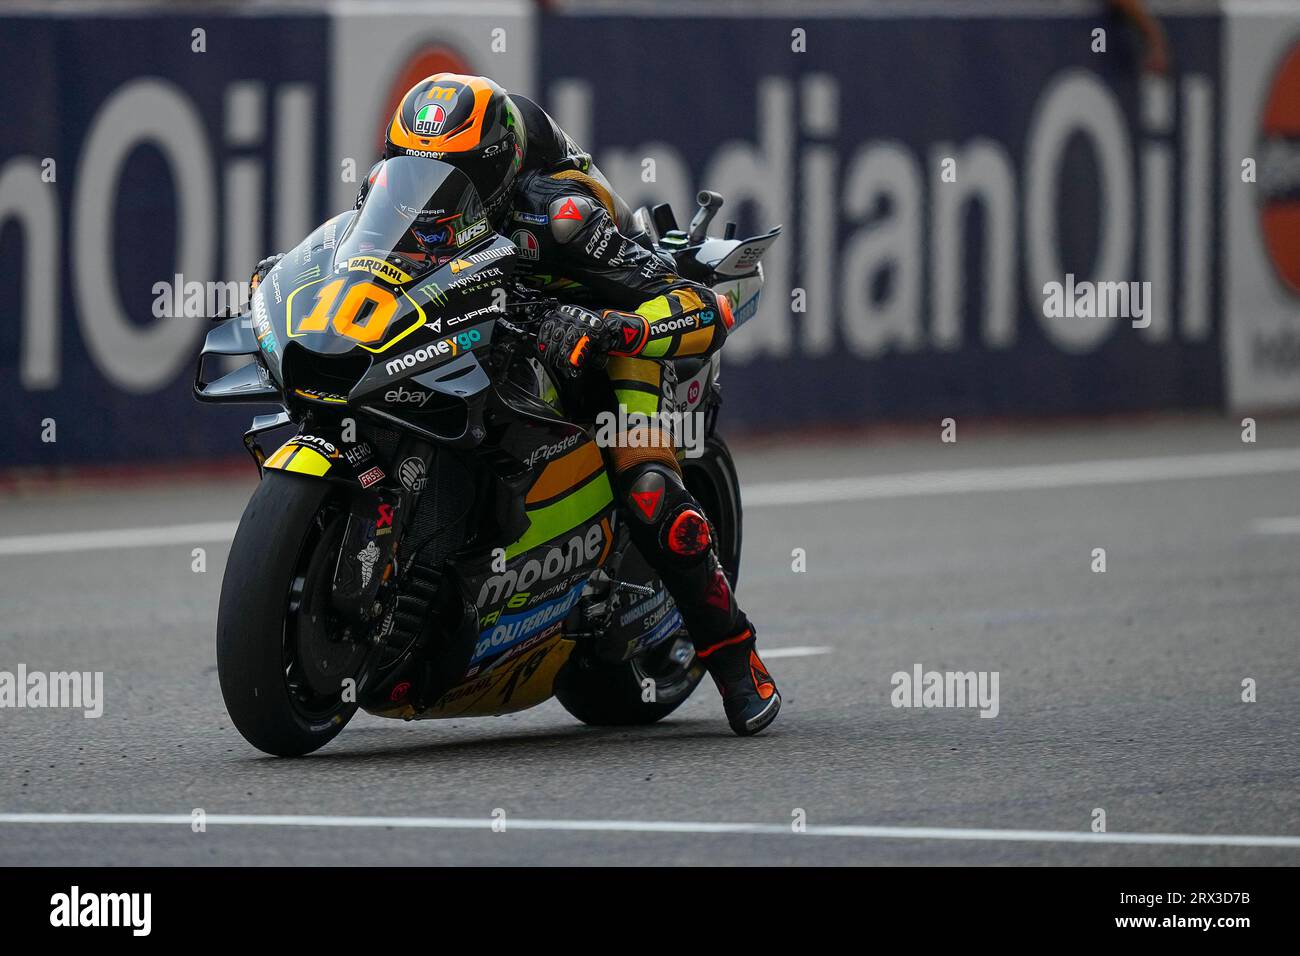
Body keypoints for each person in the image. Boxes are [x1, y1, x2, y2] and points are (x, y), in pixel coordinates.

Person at [255, 73, 780, 736]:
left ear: (497, 173)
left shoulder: (560, 214)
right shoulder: (397, 198)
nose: (426, 190)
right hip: (492, 306)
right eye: (411, 170)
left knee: (648, 487)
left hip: (599, 313)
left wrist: (621, 328)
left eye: (453, 177)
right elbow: (354, 255)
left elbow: (699, 304)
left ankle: (737, 660)